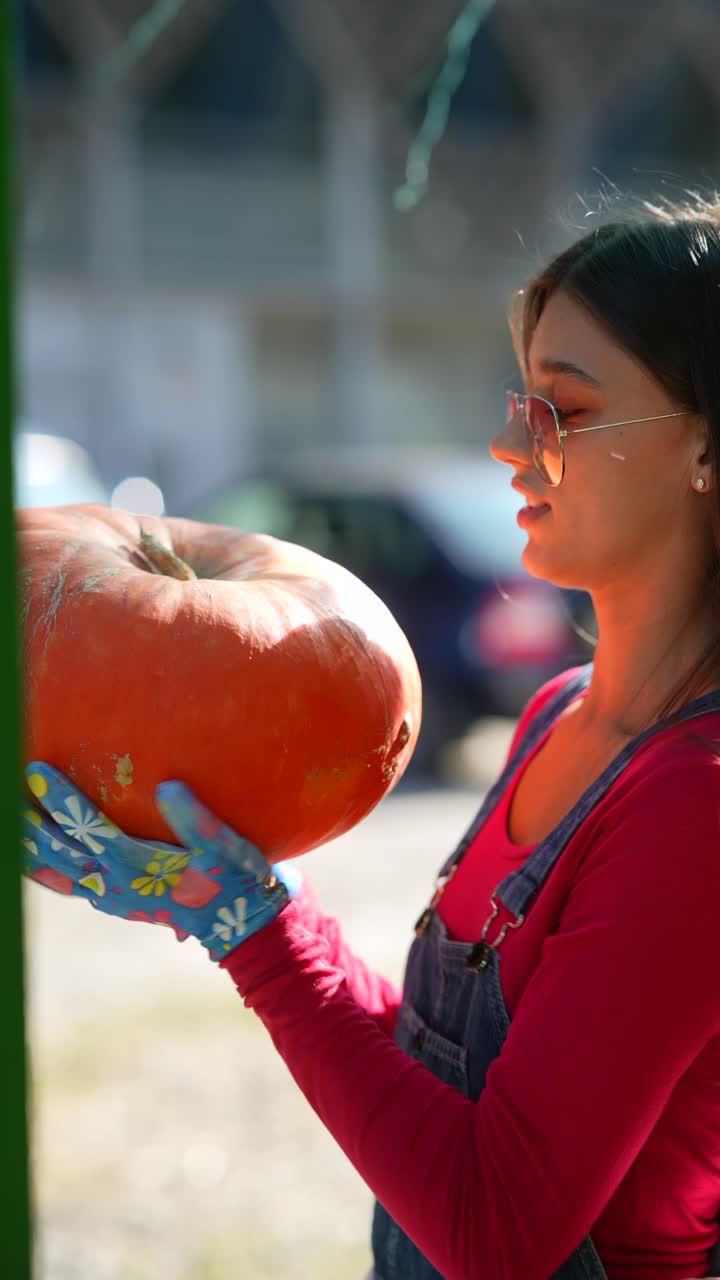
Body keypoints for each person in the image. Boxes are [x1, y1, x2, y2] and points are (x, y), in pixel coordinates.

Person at [22, 195, 720, 1280]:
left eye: (564, 411)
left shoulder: (697, 801)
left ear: (706, 449)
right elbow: (473, 1087)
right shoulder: (554, 712)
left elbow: (499, 1225)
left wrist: (265, 937)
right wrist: (246, 907)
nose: (507, 443)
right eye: (518, 398)